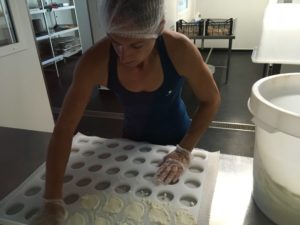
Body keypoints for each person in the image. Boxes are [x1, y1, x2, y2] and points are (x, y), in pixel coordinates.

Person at [31, 0, 220, 224]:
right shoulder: (95, 61)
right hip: (131, 141)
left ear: (158, 28)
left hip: (177, 138)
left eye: (136, 46)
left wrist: (184, 150)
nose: (123, 54)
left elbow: (211, 99)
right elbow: (64, 128)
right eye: (115, 41)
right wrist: (52, 200)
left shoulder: (179, 49)